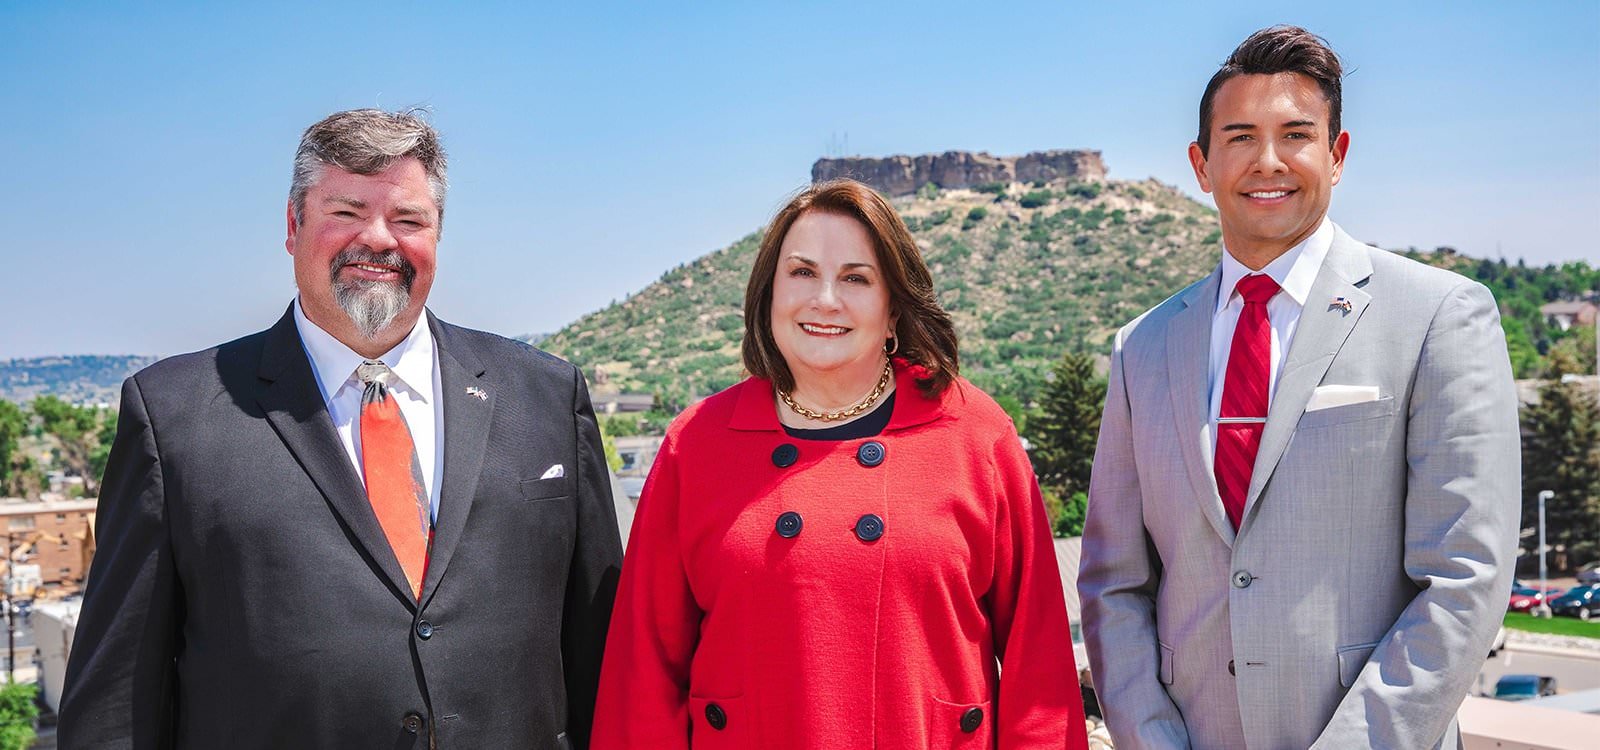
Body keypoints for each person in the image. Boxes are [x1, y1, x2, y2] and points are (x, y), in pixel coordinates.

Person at [61, 109, 623, 749]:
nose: (379, 240)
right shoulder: (173, 415)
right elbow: (114, 705)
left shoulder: (546, 395)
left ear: (438, 235)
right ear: (293, 225)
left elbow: (605, 654)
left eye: (408, 220)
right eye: (347, 213)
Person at [1077, 26, 1520, 750]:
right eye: (1241, 136)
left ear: (1337, 156)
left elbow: (1463, 580)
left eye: (1296, 135)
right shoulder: (1142, 349)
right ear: (1201, 163)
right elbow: (1114, 585)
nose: (1268, 161)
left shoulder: (1439, 316)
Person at [591, 179, 1088, 748]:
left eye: (856, 278)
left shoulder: (976, 435)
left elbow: (1040, 671)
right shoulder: (696, 444)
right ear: (768, 294)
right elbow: (642, 678)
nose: (824, 299)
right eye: (802, 273)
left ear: (894, 307)